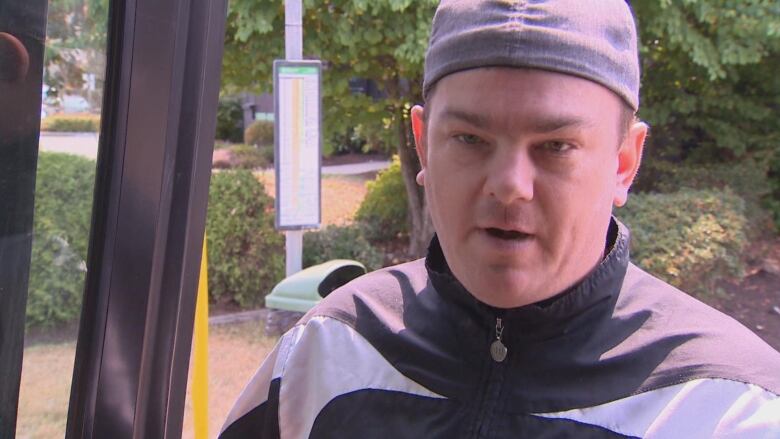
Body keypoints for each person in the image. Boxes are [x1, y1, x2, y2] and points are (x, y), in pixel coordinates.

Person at [220, 1, 780, 437]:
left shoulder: (728, 408)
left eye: (556, 145)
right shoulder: (328, 353)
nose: (509, 184)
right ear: (422, 147)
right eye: (469, 138)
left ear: (623, 163)